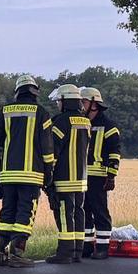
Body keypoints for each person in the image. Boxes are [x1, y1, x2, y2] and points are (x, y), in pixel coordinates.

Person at [0, 75, 55, 269]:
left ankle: (0, 253)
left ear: (18, 92)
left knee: (7, 211)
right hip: (32, 175)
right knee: (25, 213)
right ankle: (17, 253)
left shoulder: (5, 111)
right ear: (34, 92)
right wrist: (48, 170)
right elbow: (47, 146)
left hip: (8, 174)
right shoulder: (41, 113)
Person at [44, 84, 91, 264]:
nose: (58, 104)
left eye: (59, 101)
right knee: (78, 213)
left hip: (64, 178)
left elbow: (53, 149)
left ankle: (65, 252)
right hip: (81, 179)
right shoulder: (85, 121)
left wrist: (49, 175)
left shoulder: (61, 122)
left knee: (64, 215)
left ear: (65, 101)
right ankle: (77, 251)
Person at [83, 86, 122, 258]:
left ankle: (103, 246)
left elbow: (115, 152)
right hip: (82, 176)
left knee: (100, 211)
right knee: (84, 210)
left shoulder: (109, 126)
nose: (80, 106)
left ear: (94, 104)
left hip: (99, 176)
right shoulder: (82, 123)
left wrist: (111, 176)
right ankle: (86, 245)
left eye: (83, 102)